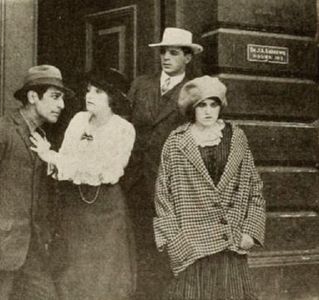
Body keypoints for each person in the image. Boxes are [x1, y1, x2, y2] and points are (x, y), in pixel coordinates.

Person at [0, 65, 73, 300]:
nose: (61, 105)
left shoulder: (42, 138)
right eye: (55, 96)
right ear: (33, 96)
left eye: (61, 98)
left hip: (31, 251)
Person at [154, 76, 266, 300]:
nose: (208, 111)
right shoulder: (177, 142)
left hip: (230, 243)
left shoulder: (236, 138)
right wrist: (176, 241)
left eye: (213, 104)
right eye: (201, 105)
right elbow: (162, 197)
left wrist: (251, 231)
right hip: (193, 247)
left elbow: (255, 187)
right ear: (192, 108)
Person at [30, 68, 136, 300]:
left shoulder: (123, 129)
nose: (89, 96)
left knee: (104, 274)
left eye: (98, 92)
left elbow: (106, 170)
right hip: (75, 205)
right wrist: (57, 159)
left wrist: (52, 157)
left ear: (112, 98)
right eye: (88, 90)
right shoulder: (79, 120)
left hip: (106, 210)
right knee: (73, 270)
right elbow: (67, 159)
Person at [123, 27, 203, 298]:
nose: (166, 57)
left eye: (174, 52)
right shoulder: (141, 85)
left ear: (188, 58)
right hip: (135, 181)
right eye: (163, 52)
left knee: (170, 248)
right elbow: (123, 127)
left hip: (172, 185)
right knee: (140, 243)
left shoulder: (195, 91)